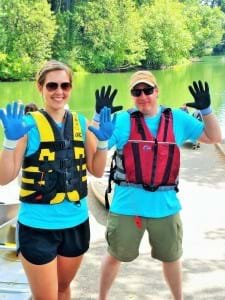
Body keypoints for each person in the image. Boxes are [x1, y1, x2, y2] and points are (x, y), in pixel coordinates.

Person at [98, 71, 222, 300]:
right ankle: (102, 297)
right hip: (127, 207)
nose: (143, 96)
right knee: (114, 255)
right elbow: (97, 150)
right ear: (132, 95)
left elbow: (213, 138)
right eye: (137, 92)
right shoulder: (123, 120)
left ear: (157, 91)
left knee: (172, 258)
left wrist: (206, 111)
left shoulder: (177, 118)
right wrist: (97, 122)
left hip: (165, 206)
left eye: (147, 90)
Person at [0, 60, 115, 300]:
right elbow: (4, 178)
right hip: (37, 227)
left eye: (65, 85)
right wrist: (9, 142)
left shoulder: (81, 124)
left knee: (63, 289)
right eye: (52, 86)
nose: (59, 91)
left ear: (71, 88)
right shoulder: (26, 126)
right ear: (40, 87)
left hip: (76, 223)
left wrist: (103, 142)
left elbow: (96, 169)